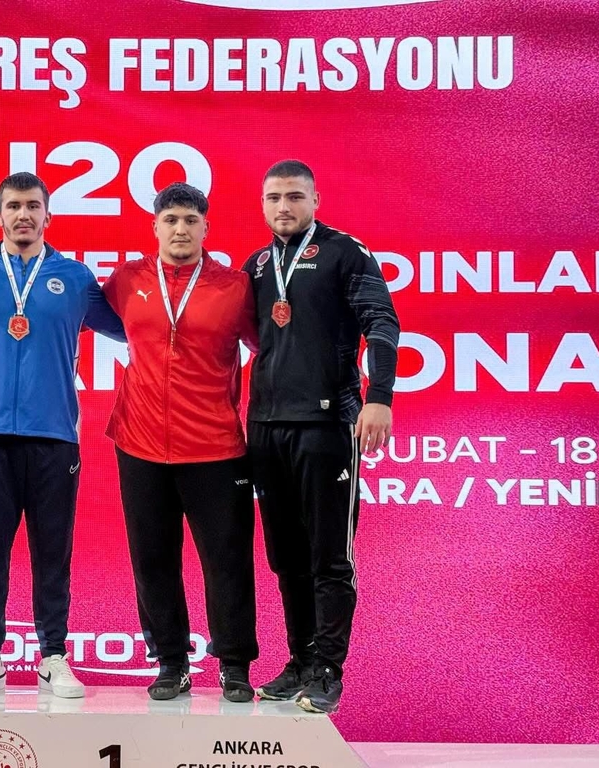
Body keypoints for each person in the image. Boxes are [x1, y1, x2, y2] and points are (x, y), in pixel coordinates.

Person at [0, 172, 125, 699]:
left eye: (33, 206)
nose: (23, 215)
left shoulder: (75, 277)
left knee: (52, 551)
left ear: (48, 215)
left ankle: (54, 656)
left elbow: (135, 326)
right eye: (14, 206)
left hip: (54, 435)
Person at [242, 160, 400, 714]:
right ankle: (302, 660)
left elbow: (382, 323)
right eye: (273, 197)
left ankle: (329, 669)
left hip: (329, 424)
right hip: (266, 427)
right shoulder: (258, 265)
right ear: (263, 205)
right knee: (286, 557)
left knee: (329, 555)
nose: (283, 206)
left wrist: (379, 397)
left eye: (294, 196)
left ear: (315, 200)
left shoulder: (344, 252)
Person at [102, 183, 259, 703]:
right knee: (152, 560)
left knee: (226, 561)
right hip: (140, 442)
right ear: (155, 226)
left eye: (191, 220)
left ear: (206, 227)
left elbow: (271, 348)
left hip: (215, 446)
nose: (181, 229)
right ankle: (171, 661)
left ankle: (234, 665)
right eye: (171, 219)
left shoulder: (235, 287)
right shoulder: (127, 280)